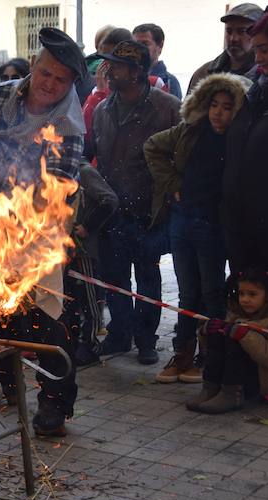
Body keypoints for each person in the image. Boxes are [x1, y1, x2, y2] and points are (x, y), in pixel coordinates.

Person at [0, 28, 86, 436]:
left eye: (61, 80)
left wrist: (27, 237)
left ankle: (54, 402)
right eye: (46, 73)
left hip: (42, 226)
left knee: (49, 316)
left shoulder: (69, 123)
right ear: (34, 66)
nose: (50, 84)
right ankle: (4, 384)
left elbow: (58, 187)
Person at [145, 73, 251, 384]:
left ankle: (213, 356)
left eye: (227, 107)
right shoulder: (192, 130)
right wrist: (172, 185)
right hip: (183, 219)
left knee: (212, 292)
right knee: (187, 292)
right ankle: (182, 355)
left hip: (214, 225)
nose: (219, 112)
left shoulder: (240, 139)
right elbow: (153, 146)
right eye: (214, 105)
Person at [86, 41, 182, 365]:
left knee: (148, 279)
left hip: (149, 212)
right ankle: (119, 335)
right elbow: (93, 154)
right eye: (110, 64)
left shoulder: (167, 107)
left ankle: (146, 339)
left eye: (118, 66)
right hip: (112, 212)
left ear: (138, 71)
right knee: (115, 279)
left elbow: (180, 157)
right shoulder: (102, 110)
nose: (110, 71)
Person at [222, 8, 268, 275]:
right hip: (244, 228)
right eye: (256, 50)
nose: (258, 59)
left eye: (264, 50)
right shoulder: (254, 90)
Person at [189, 268, 268, 413]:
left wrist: (245, 336)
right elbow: (212, 350)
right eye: (241, 293)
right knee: (220, 334)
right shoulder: (236, 314)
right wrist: (206, 332)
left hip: (266, 382)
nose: (245, 299)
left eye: (252, 294)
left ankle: (232, 395)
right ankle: (210, 388)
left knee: (235, 339)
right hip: (244, 377)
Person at [63, 161, 119, 366]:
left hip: (84, 251)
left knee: (89, 300)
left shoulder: (84, 173)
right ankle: (70, 342)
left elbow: (110, 201)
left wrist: (87, 226)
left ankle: (91, 344)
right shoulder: (54, 174)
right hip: (63, 252)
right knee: (68, 301)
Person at [189, 4, 264, 92]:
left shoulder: (267, 76)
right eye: (229, 31)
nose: (233, 38)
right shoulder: (203, 74)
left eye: (241, 31)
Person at [133, 23, 183, 99]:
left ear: (160, 46)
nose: (139, 48)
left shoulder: (170, 82)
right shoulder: (127, 78)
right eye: (136, 44)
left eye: (145, 44)